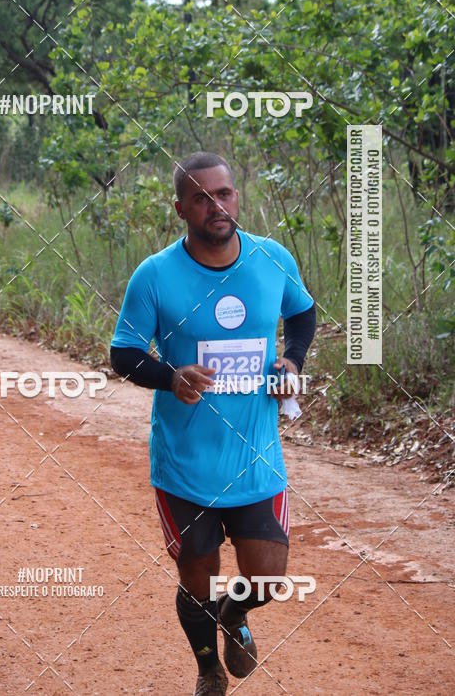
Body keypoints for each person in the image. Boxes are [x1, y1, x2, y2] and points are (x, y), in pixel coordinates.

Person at [110, 152, 316, 695]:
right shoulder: (154, 275)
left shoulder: (272, 259)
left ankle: (235, 611)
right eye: (201, 197)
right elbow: (124, 352)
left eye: (224, 193)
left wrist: (293, 360)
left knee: (268, 578)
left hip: (255, 457)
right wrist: (168, 376)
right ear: (181, 209)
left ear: (237, 197)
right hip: (185, 463)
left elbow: (302, 313)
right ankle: (207, 669)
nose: (216, 206)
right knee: (196, 577)